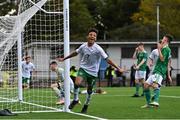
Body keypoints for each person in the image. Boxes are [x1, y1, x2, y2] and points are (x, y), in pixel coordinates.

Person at [57, 28, 123, 113]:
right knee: (77, 83)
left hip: (93, 72)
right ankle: (76, 99)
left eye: (94, 36)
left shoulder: (98, 49)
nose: (92, 36)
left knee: (89, 90)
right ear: (87, 36)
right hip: (83, 68)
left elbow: (107, 59)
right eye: (91, 35)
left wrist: (118, 68)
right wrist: (64, 58)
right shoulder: (83, 46)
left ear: (95, 38)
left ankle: (86, 105)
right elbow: (76, 53)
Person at [141, 34, 173, 108]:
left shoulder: (167, 49)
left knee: (155, 85)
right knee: (145, 85)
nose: (162, 40)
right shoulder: (163, 48)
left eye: (163, 39)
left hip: (160, 71)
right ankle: (149, 104)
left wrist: (158, 49)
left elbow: (162, 59)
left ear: (166, 41)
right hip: (156, 70)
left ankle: (156, 101)